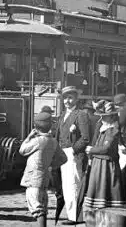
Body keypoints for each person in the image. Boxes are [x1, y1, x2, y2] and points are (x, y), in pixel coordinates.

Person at [19, 112, 67, 227]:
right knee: (43, 206)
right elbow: (63, 158)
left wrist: (29, 137)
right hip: (44, 177)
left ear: (36, 126)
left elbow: (22, 150)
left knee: (37, 207)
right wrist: (50, 166)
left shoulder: (37, 141)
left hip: (33, 178)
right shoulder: (53, 141)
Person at [84, 101, 124, 224]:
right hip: (99, 165)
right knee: (97, 192)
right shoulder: (103, 128)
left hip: (106, 166)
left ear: (112, 116)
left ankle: (108, 221)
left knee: (106, 192)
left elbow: (106, 149)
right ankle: (98, 220)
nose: (102, 118)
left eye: (105, 116)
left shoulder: (113, 130)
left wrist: (91, 150)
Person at [55, 86, 90, 225]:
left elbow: (85, 138)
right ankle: (72, 214)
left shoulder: (80, 114)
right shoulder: (63, 115)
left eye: (70, 98)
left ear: (76, 98)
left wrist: (74, 150)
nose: (67, 101)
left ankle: (76, 216)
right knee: (67, 185)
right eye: (65, 98)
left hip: (73, 154)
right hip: (63, 153)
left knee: (74, 184)